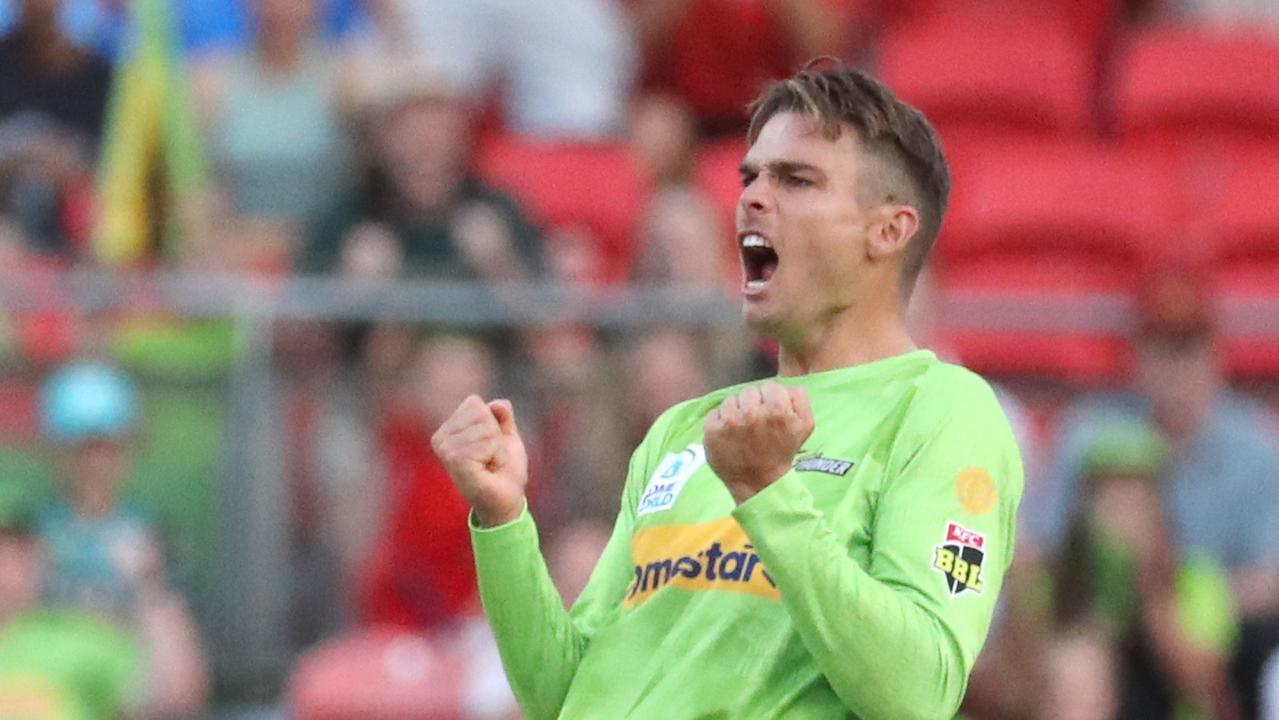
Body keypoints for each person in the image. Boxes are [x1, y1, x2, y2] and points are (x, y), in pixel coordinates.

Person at [432, 65, 1023, 718]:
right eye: (751, 177)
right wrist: (504, 521)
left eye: (795, 179)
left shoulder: (941, 411)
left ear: (886, 231)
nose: (751, 197)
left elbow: (917, 691)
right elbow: (564, 695)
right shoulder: (685, 429)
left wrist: (768, 493)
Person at [34, 361, 207, 716]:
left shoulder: (152, 537)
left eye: (108, 447)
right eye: (83, 448)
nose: (96, 464)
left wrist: (147, 584)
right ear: (57, 451)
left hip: (127, 696)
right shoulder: (32, 533)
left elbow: (181, 686)